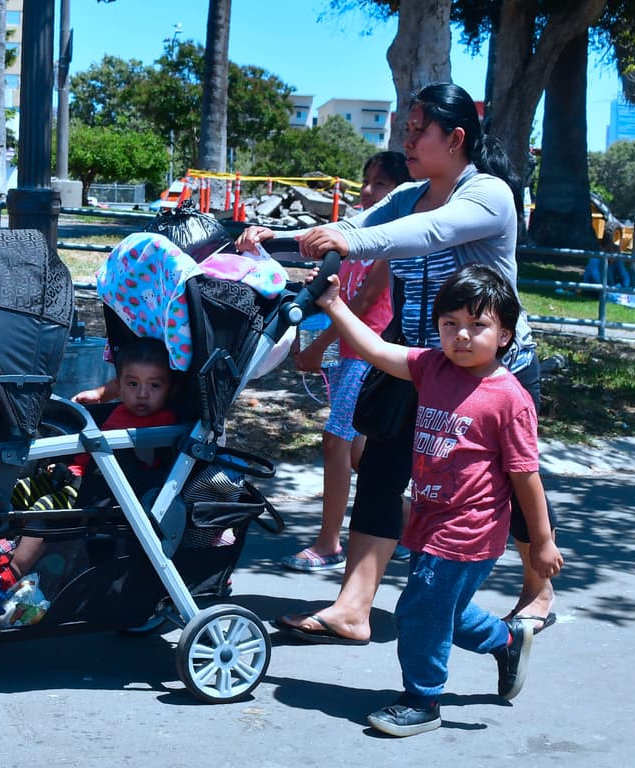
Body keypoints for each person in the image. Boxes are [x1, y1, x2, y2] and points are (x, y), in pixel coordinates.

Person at [239, 82, 558, 642]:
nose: (405, 139)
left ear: (455, 138)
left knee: (510, 479)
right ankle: (353, 607)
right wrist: (274, 239)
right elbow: (355, 228)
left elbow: (421, 235)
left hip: (492, 372)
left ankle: (538, 589)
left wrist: (342, 238)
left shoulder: (487, 195)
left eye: (417, 131)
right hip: (418, 362)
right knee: (383, 473)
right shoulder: (406, 195)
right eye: (406, 129)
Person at [314, 263, 562, 737]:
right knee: (443, 608)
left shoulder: (508, 398)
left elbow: (526, 476)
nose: (462, 336)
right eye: (451, 324)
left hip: (469, 528)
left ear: (505, 334)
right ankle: (507, 641)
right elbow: (376, 349)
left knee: (417, 610)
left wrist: (543, 542)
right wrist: (333, 304)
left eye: (477, 325)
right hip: (428, 518)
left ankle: (422, 698)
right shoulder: (432, 367)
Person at [283, 151, 408, 572]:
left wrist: (321, 346)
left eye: (381, 185)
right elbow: (334, 290)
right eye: (366, 180)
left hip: (368, 354)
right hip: (344, 354)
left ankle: (328, 543)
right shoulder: (354, 236)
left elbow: (365, 300)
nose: (369, 190)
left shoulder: (392, 241)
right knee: (360, 456)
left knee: (336, 441)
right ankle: (408, 529)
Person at [10, 337, 177, 575]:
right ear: (119, 385)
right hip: (73, 475)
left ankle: (13, 571)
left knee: (44, 509)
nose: (142, 394)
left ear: (170, 389)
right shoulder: (120, 410)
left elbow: (148, 462)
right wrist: (99, 394)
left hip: (97, 489)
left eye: (154, 386)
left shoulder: (161, 424)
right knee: (19, 489)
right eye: (133, 384)